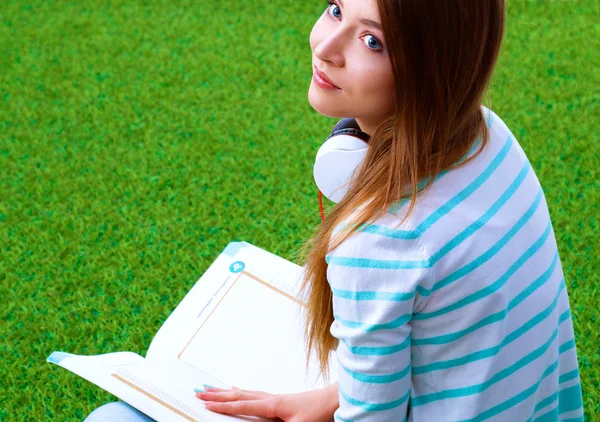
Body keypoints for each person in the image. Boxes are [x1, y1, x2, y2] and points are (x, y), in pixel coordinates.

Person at [85, 0, 584, 421]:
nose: (324, 48)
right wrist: (333, 396)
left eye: (372, 42)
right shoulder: (490, 136)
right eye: (336, 9)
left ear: (432, 69)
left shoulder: (385, 239)